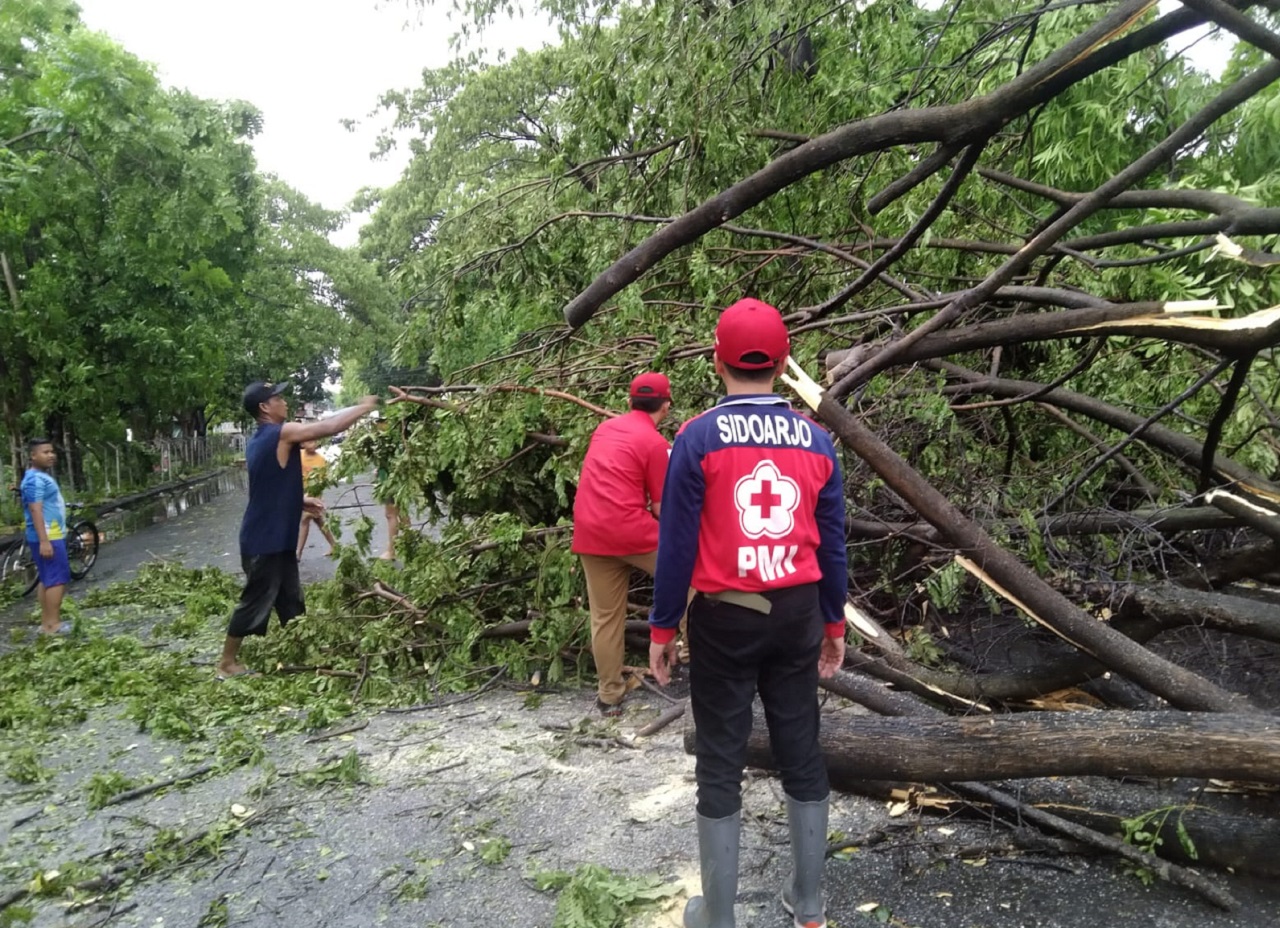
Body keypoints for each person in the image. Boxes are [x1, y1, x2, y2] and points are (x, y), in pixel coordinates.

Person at [648, 298, 847, 928]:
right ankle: (808, 906)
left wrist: (660, 628)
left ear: (717, 361)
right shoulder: (818, 441)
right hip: (797, 617)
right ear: (784, 363)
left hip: (724, 620)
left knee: (720, 761)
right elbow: (834, 542)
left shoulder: (697, 437)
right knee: (801, 750)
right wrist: (834, 624)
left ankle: (721, 918)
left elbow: (676, 545)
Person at [215, 382, 383, 680]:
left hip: (274, 537)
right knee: (255, 599)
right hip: (264, 539)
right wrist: (366, 407)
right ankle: (227, 663)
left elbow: (268, 485)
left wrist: (300, 498)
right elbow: (329, 426)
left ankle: (304, 654)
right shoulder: (280, 433)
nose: (285, 401)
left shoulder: (259, 440)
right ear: (264, 408)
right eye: (278, 398)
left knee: (291, 599)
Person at [572, 371, 674, 717]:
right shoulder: (655, 443)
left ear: (630, 402)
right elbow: (662, 509)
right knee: (691, 579)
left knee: (604, 617)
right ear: (666, 405)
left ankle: (609, 697)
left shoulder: (604, 429)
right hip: (631, 530)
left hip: (589, 531)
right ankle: (689, 659)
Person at [20, 438, 73, 635]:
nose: (51, 455)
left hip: (51, 534)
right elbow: (35, 509)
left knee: (47, 578)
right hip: (48, 535)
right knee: (57, 578)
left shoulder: (39, 476)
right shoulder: (35, 479)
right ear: (33, 456)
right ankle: (54, 625)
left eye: (52, 451)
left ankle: (46, 623)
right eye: (45, 452)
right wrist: (44, 541)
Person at [297, 438, 337, 560]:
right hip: (300, 493)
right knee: (319, 521)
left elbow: (322, 481)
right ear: (302, 443)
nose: (313, 444)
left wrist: (312, 494)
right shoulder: (299, 456)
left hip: (313, 494)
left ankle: (298, 553)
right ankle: (334, 546)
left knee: (305, 519)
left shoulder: (320, 460)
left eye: (315, 441)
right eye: (309, 442)